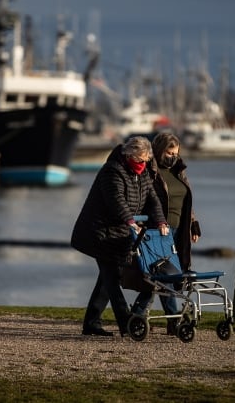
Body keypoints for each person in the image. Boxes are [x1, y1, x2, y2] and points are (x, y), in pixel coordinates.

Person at [71, 135, 169, 337]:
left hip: (119, 232)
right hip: (99, 232)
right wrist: (130, 221)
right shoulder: (112, 171)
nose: (143, 165)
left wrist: (160, 221)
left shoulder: (142, 174)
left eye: (146, 161)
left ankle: (91, 323)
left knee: (107, 278)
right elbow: (116, 200)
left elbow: (153, 200)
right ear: (128, 155)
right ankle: (125, 322)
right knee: (112, 277)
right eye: (139, 160)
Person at [131, 131, 202, 334]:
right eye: (169, 152)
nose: (173, 156)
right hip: (157, 229)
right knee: (160, 274)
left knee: (170, 275)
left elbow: (185, 201)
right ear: (160, 150)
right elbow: (143, 199)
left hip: (178, 230)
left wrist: (193, 223)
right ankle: (163, 317)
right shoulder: (150, 171)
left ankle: (150, 315)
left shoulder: (179, 170)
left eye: (176, 153)